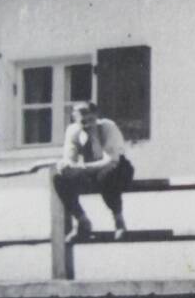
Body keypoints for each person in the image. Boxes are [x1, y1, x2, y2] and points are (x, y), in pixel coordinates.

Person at [52, 101, 134, 242]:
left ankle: (119, 222)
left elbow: (111, 161)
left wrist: (81, 168)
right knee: (60, 179)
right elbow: (70, 158)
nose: (87, 124)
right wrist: (67, 167)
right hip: (92, 169)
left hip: (118, 167)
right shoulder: (73, 131)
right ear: (75, 119)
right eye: (83, 121)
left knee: (107, 176)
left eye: (90, 119)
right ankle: (83, 222)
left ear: (96, 115)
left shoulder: (108, 127)